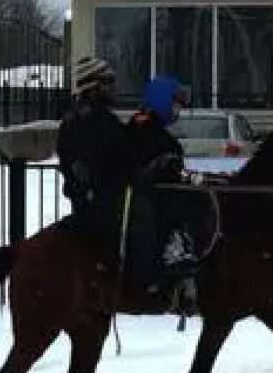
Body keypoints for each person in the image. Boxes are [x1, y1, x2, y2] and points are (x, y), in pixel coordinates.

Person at [120, 73, 206, 313]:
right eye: (176, 103)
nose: (178, 109)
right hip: (149, 203)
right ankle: (176, 255)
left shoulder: (135, 125)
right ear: (163, 101)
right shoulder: (158, 137)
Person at [55, 55, 124, 217]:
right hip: (105, 214)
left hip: (85, 210)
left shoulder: (71, 121)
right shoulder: (100, 123)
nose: (114, 87)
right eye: (107, 81)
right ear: (91, 87)